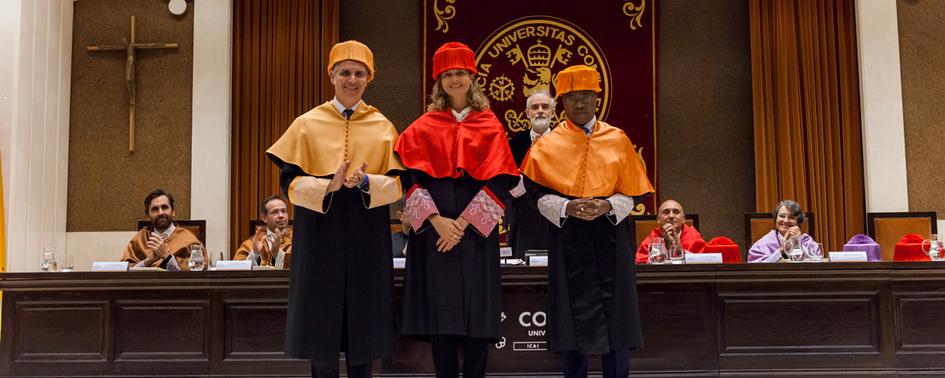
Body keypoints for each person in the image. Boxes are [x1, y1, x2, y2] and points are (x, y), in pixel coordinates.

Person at [265, 40, 405, 378]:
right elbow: (289, 183)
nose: (352, 80)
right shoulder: (307, 124)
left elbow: (398, 185)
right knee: (321, 331)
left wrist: (364, 182)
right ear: (331, 75)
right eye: (345, 72)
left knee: (365, 331)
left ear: (369, 78)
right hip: (319, 235)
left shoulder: (382, 126)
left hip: (366, 234)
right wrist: (326, 186)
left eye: (359, 74)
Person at [520, 65, 655, 378]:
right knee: (571, 323)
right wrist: (568, 207)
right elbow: (532, 193)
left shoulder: (618, 139)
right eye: (571, 98)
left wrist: (607, 204)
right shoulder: (547, 144)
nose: (578, 104)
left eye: (585, 97)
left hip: (611, 237)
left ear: (597, 99)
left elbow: (637, 192)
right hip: (569, 241)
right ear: (562, 103)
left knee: (617, 322)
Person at [395, 42, 519, 378]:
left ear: (471, 77)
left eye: (460, 73)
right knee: (442, 321)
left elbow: (500, 183)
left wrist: (461, 225)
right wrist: (437, 221)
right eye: (448, 75)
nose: (454, 80)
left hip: (475, 235)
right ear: (439, 82)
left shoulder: (489, 124)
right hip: (435, 236)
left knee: (477, 323)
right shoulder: (423, 126)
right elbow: (412, 182)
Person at [507, 91, 555, 257]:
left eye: (545, 107)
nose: (540, 110)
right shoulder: (514, 144)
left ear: (553, 112)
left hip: (557, 218)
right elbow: (508, 185)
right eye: (535, 107)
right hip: (524, 217)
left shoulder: (566, 142)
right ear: (527, 113)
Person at [121, 189, 205, 271]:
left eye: (164, 207)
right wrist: (148, 261)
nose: (160, 213)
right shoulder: (139, 239)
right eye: (155, 209)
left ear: (173, 212)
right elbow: (124, 271)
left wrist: (167, 257)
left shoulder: (189, 239)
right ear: (147, 215)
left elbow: (199, 271)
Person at [634, 200, 706, 264]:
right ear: (658, 219)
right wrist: (665, 249)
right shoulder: (653, 237)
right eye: (666, 212)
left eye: (676, 212)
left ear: (683, 219)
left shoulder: (691, 235)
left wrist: (677, 248)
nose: (671, 216)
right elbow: (640, 263)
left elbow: (703, 260)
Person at [748, 199, 819, 263]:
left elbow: (818, 263)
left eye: (791, 217)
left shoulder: (807, 242)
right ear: (775, 219)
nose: (785, 220)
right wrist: (781, 250)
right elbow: (757, 269)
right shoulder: (762, 244)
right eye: (782, 216)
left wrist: (798, 243)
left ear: (798, 222)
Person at [234, 195, 292, 268]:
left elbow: (302, 269)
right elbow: (237, 271)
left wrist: (277, 254)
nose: (281, 215)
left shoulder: (298, 241)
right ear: (264, 218)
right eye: (275, 212)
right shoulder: (251, 243)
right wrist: (255, 254)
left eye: (284, 211)